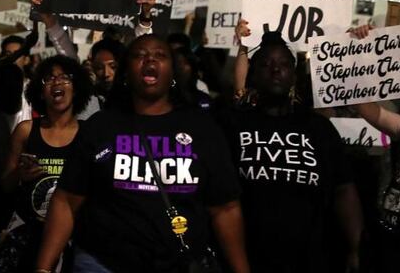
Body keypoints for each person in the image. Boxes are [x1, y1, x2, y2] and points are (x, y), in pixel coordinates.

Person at [36, 34, 249, 273]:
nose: (150, 60)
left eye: (160, 55)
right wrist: (44, 267)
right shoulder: (101, 127)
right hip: (103, 263)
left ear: (173, 72)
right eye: (140, 55)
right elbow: (66, 200)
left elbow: (225, 208)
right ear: (126, 72)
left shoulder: (202, 129)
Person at [223, 30, 363, 272]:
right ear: (253, 75)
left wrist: (355, 248)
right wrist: (243, 47)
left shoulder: (318, 128)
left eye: (284, 64)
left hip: (309, 259)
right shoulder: (233, 124)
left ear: (293, 75)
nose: (276, 70)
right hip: (246, 260)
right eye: (266, 64)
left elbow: (344, 190)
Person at [0, 55, 93, 271]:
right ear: (40, 91)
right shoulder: (25, 131)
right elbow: (5, 184)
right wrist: (20, 174)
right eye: (49, 79)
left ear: (76, 88)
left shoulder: (89, 134)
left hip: (72, 239)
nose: (57, 82)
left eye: (65, 77)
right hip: (26, 237)